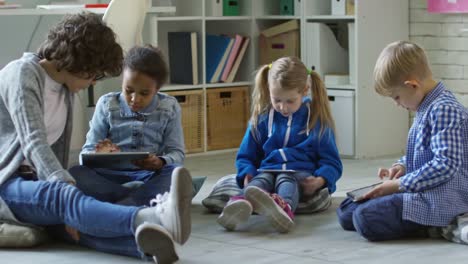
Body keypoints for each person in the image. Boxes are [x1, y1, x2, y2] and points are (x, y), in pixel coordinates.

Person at [0, 12, 191, 263]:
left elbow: (55, 155)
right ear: (77, 62)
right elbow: (33, 140)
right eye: (92, 75)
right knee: (66, 196)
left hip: (38, 184)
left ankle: (144, 247)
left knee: (72, 225)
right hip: (8, 183)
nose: (92, 83)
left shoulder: (65, 90)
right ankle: (152, 218)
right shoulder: (23, 73)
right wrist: (66, 187)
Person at [336, 40, 468, 241]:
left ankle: (435, 225)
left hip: (443, 197)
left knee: (364, 219)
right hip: (421, 187)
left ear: (412, 85)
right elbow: (422, 152)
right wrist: (401, 167)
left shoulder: (445, 109)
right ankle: (415, 219)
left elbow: (446, 165)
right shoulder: (425, 106)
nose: (397, 104)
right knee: (346, 212)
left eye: (396, 97)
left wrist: (398, 185)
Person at [217, 56, 343, 233]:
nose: (283, 107)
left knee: (286, 180)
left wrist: (320, 180)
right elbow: (246, 155)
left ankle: (283, 210)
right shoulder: (261, 119)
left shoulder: (316, 120)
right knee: (261, 180)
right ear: (268, 90)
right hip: (267, 170)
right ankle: (241, 203)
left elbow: (332, 162)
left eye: (290, 101)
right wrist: (247, 173)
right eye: (277, 100)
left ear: (304, 91)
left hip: (298, 173)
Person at [69, 45, 184, 206]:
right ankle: (135, 198)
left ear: (157, 89)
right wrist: (100, 154)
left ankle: (118, 202)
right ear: (122, 81)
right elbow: (87, 151)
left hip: (148, 175)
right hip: (108, 176)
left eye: (144, 93)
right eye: (128, 90)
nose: (135, 99)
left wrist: (161, 161)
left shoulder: (169, 107)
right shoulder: (107, 104)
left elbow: (177, 153)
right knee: (75, 173)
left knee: (175, 173)